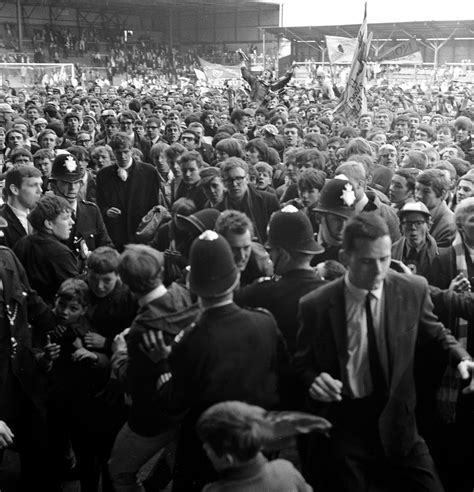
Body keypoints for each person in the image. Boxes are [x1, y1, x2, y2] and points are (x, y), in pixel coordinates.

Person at [293, 212, 474, 492]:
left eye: (385, 258)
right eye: (367, 261)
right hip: (346, 432)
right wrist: (313, 380)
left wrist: (462, 357)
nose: (379, 271)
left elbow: (435, 331)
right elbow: (302, 364)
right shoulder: (316, 305)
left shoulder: (412, 288)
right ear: (345, 258)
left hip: (401, 427)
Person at [150, 230, 285, 491]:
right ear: (234, 279)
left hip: (206, 457)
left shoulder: (191, 341)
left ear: (192, 284)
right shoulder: (264, 321)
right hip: (254, 450)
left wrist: (162, 365)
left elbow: (173, 403)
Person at [109, 244, 198, 492]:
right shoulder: (182, 293)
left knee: (120, 470)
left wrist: (120, 353)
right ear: (160, 272)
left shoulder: (140, 330)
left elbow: (130, 380)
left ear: (125, 282)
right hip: (184, 403)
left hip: (154, 415)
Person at [0, 243, 61, 492]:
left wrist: (63, 325)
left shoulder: (6, 256)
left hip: (23, 378)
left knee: (35, 451)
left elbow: (31, 300)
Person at [196, 401, 313, 492]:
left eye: (209, 446)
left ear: (228, 459)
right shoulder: (286, 471)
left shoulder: (213, 490)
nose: (204, 447)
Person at [96, 132, 161, 250]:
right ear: (113, 153)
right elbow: (99, 203)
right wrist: (106, 211)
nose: (123, 157)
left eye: (126, 152)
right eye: (118, 153)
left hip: (141, 232)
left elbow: (155, 204)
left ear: (132, 150)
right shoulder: (103, 175)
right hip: (116, 233)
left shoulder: (149, 172)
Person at [13, 195, 78, 305]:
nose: (72, 222)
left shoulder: (22, 243)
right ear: (49, 224)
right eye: (66, 218)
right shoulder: (61, 253)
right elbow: (76, 292)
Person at [49, 153, 113, 266]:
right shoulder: (47, 214)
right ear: (53, 185)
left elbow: (106, 247)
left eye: (76, 182)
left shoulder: (91, 211)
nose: (72, 188)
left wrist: (94, 258)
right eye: (65, 183)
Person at [216, 158, 280, 243]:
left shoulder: (268, 200)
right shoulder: (219, 208)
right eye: (230, 180)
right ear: (224, 182)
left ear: (247, 178)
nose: (234, 184)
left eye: (239, 178)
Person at [215, 210, 273, 288]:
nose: (242, 256)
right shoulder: (211, 265)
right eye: (234, 249)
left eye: (246, 248)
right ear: (220, 246)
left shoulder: (261, 263)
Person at [391, 201, 439, 278]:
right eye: (408, 223)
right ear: (401, 228)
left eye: (418, 223)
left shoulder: (439, 256)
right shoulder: (391, 252)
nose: (413, 228)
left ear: (428, 226)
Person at [0, 165, 43, 249]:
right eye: (33, 185)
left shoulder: (41, 215)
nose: (40, 190)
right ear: (15, 189)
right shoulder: (2, 222)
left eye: (40, 185)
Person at [415, 168, 456, 248]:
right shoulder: (415, 213)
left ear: (442, 194)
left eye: (426, 191)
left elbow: (433, 257)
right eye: (417, 189)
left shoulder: (449, 227)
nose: (418, 195)